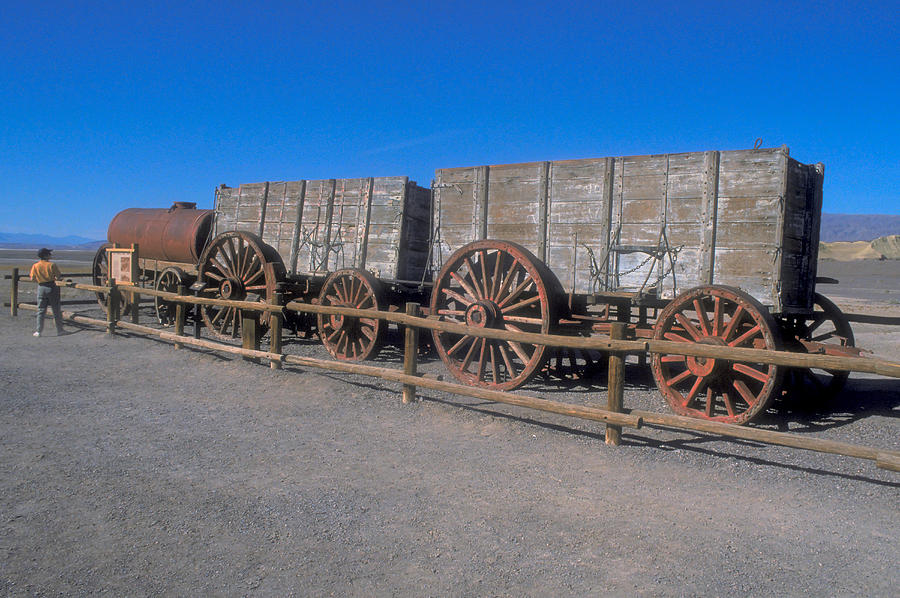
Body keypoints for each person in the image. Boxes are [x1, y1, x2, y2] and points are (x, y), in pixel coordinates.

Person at [29, 248, 66, 337]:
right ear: (46, 255)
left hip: (41, 287)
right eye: (49, 254)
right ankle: (59, 330)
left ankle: (38, 331)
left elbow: (32, 278)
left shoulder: (35, 266)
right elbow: (58, 276)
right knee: (56, 309)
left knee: (41, 310)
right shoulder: (51, 265)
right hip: (51, 287)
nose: (50, 255)